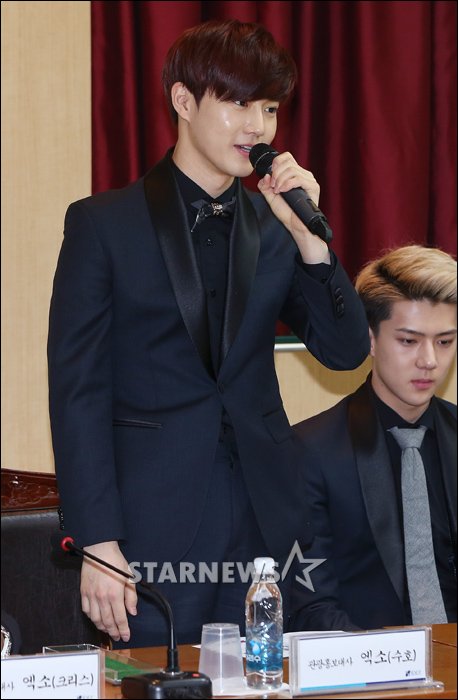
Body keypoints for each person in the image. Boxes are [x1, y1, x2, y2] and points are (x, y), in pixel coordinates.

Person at [47, 19, 369, 648]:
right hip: (149, 530)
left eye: (269, 108)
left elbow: (345, 351)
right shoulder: (103, 225)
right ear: (184, 101)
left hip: (269, 525)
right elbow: (77, 391)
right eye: (239, 104)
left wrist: (312, 243)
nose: (258, 127)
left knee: (268, 681)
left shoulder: (276, 226)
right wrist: (98, 540)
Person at [291, 245, 457, 631]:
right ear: (369, 338)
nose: (429, 361)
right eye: (408, 341)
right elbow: (310, 606)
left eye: (445, 341)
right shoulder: (310, 451)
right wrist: (390, 655)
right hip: (365, 656)